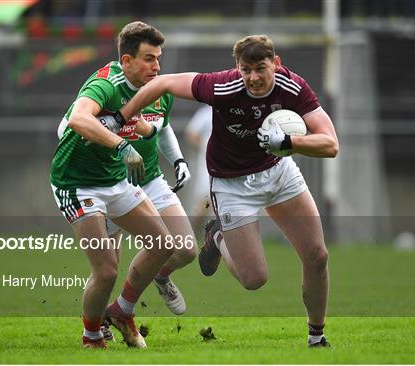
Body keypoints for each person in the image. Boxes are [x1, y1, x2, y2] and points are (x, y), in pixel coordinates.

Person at [118, 34, 339, 347]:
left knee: (317, 256)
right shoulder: (222, 86)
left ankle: (316, 337)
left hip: (278, 172)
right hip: (233, 184)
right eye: (245, 69)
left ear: (276, 64)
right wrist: (121, 118)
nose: (252, 77)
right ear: (237, 68)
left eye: (260, 68)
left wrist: (289, 143)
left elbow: (330, 144)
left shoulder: (293, 87)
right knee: (254, 279)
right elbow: (161, 84)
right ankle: (218, 236)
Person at [50, 21, 190, 350]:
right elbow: (78, 120)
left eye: (159, 58)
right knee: (107, 270)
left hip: (115, 180)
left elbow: (151, 126)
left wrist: (156, 139)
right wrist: (121, 145)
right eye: (148, 59)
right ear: (126, 61)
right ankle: (92, 335)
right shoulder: (106, 83)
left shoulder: (152, 89)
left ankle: (122, 311)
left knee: (164, 244)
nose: (156, 66)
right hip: (77, 185)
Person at [184, 105, 213, 232]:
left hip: (230, 163)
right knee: (205, 199)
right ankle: (192, 232)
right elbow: (191, 133)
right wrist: (205, 148)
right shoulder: (207, 112)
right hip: (208, 164)